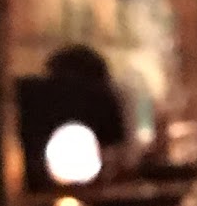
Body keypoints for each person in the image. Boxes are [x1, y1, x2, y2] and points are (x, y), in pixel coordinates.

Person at [16, 45, 129, 193]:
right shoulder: (101, 98)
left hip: (27, 184)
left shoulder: (27, 94)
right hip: (88, 191)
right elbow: (114, 149)